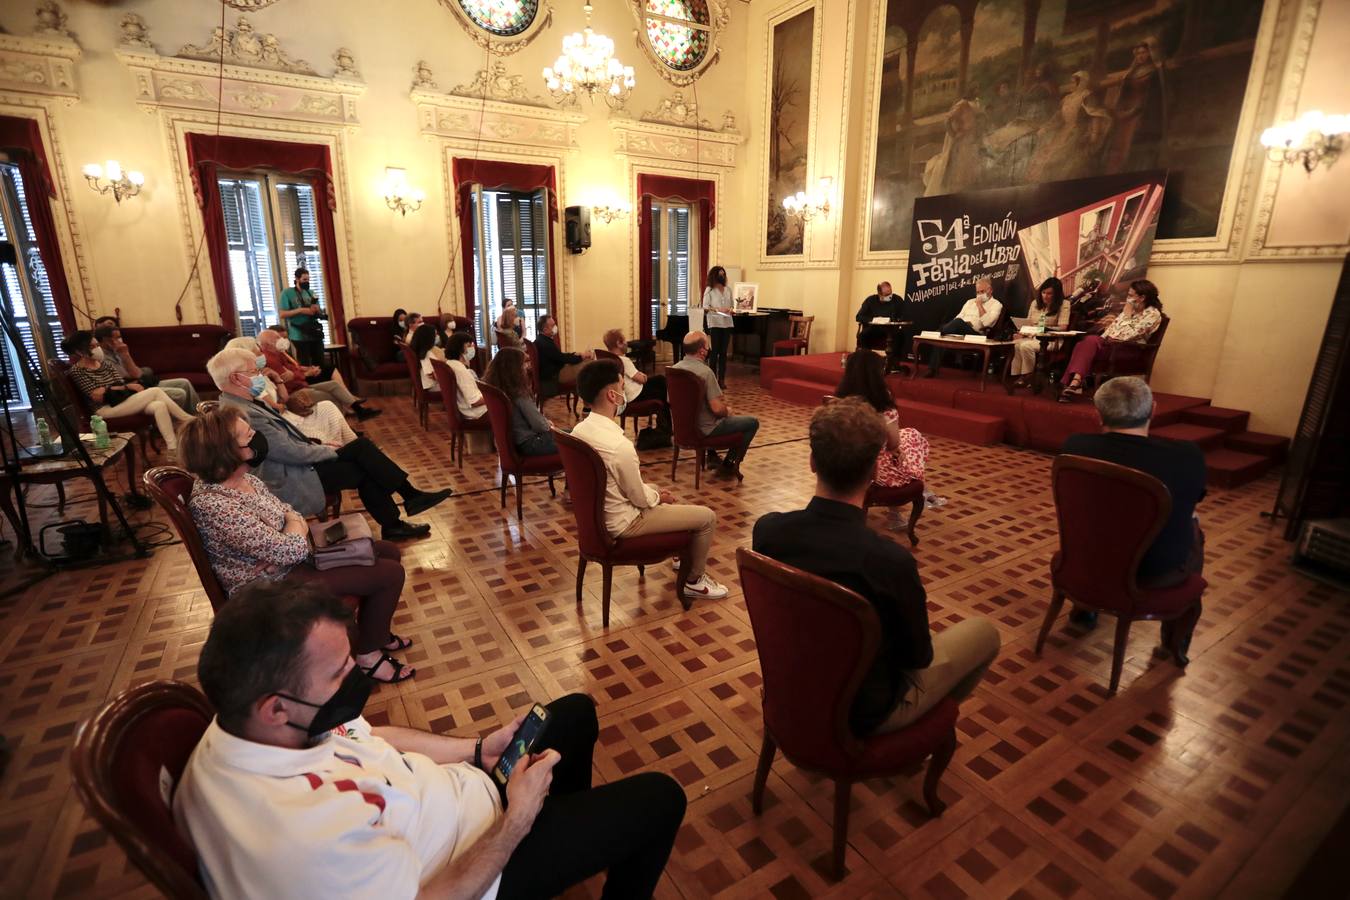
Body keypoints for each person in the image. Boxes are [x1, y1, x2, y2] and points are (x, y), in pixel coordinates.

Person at [174, 579, 687, 899]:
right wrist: (517, 822)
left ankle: (569, 835)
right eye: (338, 673)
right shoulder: (299, 836)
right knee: (662, 797)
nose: (357, 676)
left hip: (471, 801)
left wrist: (476, 748)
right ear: (276, 707)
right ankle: (555, 837)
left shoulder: (261, 727)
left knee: (574, 712)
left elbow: (374, 736)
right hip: (480, 868)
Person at [753, 399, 1000, 735]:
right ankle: (915, 732)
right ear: (873, 472)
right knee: (985, 634)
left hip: (790, 687)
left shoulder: (768, 530)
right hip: (863, 712)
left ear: (812, 462)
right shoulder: (889, 561)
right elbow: (917, 658)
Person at [178, 409, 412, 682]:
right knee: (390, 574)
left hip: (286, 565)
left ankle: (376, 633)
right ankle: (368, 656)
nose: (257, 439)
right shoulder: (215, 505)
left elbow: (291, 515)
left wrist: (290, 532)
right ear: (225, 452)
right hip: (268, 585)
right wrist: (289, 537)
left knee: (388, 551)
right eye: (249, 436)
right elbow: (289, 547)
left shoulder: (247, 480)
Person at [208, 347, 451, 541]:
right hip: (288, 476)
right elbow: (288, 452)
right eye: (254, 372)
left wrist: (321, 444)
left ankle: (402, 512)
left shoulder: (246, 403)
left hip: (296, 465)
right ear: (236, 378)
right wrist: (325, 450)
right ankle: (404, 505)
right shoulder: (242, 412)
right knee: (362, 459)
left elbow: (288, 442)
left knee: (361, 453)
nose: (260, 375)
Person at [1061, 376, 1206, 662]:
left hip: (1086, 559)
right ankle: (1174, 643)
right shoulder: (1186, 456)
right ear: (1153, 410)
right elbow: (1193, 500)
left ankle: (1083, 610)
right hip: (1154, 570)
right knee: (1194, 529)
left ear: (1098, 412)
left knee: (1102, 517)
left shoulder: (1075, 447)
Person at [571, 359, 728, 601]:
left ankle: (680, 553)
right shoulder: (618, 446)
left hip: (599, 516)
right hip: (624, 523)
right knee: (706, 517)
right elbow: (640, 500)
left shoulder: (580, 431)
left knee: (655, 490)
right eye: (623, 387)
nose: (625, 394)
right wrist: (658, 497)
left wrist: (654, 493)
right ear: (613, 396)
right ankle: (694, 581)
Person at [60, 330, 195, 456]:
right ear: (79, 351)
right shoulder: (77, 371)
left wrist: (110, 388)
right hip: (103, 410)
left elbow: (119, 385)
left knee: (159, 405)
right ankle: (189, 421)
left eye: (96, 345)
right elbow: (97, 397)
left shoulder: (104, 364)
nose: (96, 348)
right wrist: (116, 387)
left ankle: (173, 449)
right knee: (155, 391)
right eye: (92, 346)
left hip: (120, 402)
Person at [671, 332, 759, 480]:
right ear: (702, 351)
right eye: (707, 345)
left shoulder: (674, 370)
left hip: (682, 429)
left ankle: (714, 458)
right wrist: (727, 411)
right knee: (752, 423)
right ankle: (729, 464)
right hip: (706, 429)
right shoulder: (705, 373)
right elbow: (717, 409)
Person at [836, 351, 929, 490]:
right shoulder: (882, 406)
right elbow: (893, 443)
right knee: (912, 435)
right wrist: (894, 449)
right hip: (873, 470)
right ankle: (915, 483)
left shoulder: (837, 402)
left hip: (838, 463)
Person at [1058, 279, 1163, 402]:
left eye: (1130, 295)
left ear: (1142, 298)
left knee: (1087, 343)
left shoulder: (1152, 314)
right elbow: (1110, 331)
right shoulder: (1130, 310)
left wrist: (1127, 316)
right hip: (1110, 345)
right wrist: (1103, 339)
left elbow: (1129, 335)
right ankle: (1075, 383)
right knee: (1088, 342)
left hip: (1130, 349)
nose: (1128, 298)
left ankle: (1072, 383)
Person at [258, 328, 380, 421]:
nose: (282, 340)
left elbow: (293, 370)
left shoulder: (279, 353)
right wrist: (304, 373)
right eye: (278, 338)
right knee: (330, 397)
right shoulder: (270, 359)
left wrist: (301, 371)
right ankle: (343, 429)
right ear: (268, 344)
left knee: (334, 385)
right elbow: (289, 378)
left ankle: (359, 411)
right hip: (295, 392)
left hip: (301, 385)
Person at [93, 323, 200, 413]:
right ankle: (178, 425)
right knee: (179, 393)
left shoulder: (117, 352)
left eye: (119, 337)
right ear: (105, 340)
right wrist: (125, 355)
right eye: (116, 337)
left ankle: (199, 416)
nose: (119, 340)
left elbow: (138, 374)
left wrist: (126, 355)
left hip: (140, 382)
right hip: (130, 390)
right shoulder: (101, 357)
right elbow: (126, 377)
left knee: (184, 382)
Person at [484, 346, 557, 457]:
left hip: (515, 443)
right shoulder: (518, 392)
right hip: (531, 444)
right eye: (523, 364)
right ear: (514, 369)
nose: (526, 368)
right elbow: (539, 426)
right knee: (578, 439)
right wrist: (548, 424)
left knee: (572, 433)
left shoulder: (496, 389)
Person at [924, 276, 1003, 377]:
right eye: (977, 292)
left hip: (976, 334)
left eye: (982, 291)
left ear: (990, 290)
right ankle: (932, 369)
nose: (979, 295)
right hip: (960, 330)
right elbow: (959, 316)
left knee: (955, 324)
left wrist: (979, 306)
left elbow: (987, 323)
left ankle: (935, 333)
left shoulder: (996, 304)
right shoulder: (970, 302)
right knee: (943, 335)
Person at [1010, 277, 1071, 388]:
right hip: (1032, 336)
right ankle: (1018, 375)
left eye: (1049, 294)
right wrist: (1021, 331)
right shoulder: (1035, 303)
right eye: (1043, 292)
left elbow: (1063, 327)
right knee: (1017, 343)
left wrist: (1044, 329)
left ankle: (1027, 376)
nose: (1045, 296)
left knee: (1025, 346)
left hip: (1051, 340)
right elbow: (1028, 322)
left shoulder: (1064, 304)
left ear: (1056, 294)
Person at [602, 328, 667, 412]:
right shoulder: (623, 360)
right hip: (635, 395)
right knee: (663, 388)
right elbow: (641, 380)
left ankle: (663, 422)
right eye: (625, 340)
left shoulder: (609, 359)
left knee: (660, 379)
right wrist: (644, 377)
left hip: (626, 393)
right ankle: (665, 422)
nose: (627, 343)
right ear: (619, 343)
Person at [534, 314, 592, 400]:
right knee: (589, 365)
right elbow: (562, 359)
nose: (555, 327)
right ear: (545, 329)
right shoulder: (545, 344)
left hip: (555, 373)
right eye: (552, 325)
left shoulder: (541, 340)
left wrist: (575, 354)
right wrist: (581, 357)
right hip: (554, 377)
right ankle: (588, 405)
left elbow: (559, 356)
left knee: (586, 363)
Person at [277, 267, 325, 367]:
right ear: (297, 279)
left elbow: (319, 310)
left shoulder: (311, 293)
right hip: (298, 333)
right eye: (304, 280)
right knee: (305, 363)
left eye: (308, 280)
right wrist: (301, 310)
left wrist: (317, 310)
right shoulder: (287, 293)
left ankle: (322, 381)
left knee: (320, 361)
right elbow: (282, 314)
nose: (307, 282)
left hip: (313, 331)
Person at [853, 281, 910, 360]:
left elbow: (904, 315)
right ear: (879, 294)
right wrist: (873, 320)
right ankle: (865, 360)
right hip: (873, 330)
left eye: (890, 293)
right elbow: (859, 317)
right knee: (863, 335)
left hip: (891, 330)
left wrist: (898, 320)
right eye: (886, 295)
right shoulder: (871, 300)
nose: (889, 296)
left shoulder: (897, 300)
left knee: (900, 335)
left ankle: (893, 362)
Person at [284, 389, 357, 447]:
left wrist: (278, 379)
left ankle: (349, 439)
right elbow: (280, 404)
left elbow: (284, 395)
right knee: (332, 388)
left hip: (293, 397)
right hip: (289, 417)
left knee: (327, 404)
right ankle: (339, 445)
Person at [701, 266, 734, 385]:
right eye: (720, 274)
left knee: (724, 353)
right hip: (714, 323)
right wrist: (717, 309)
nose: (722, 276)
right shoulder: (709, 290)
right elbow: (705, 307)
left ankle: (722, 379)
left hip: (727, 323)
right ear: (715, 275)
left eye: (723, 274)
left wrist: (730, 309)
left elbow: (731, 305)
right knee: (714, 352)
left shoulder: (728, 289)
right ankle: (712, 379)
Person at [444, 331, 487, 420]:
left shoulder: (450, 363)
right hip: (476, 412)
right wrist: (495, 398)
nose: (472, 348)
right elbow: (474, 401)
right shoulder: (461, 370)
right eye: (468, 346)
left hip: (465, 408)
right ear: (459, 349)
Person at [408, 322, 441, 394]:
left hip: (429, 385)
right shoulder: (426, 354)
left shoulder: (419, 350)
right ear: (429, 338)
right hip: (433, 387)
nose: (437, 337)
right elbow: (434, 376)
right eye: (435, 336)